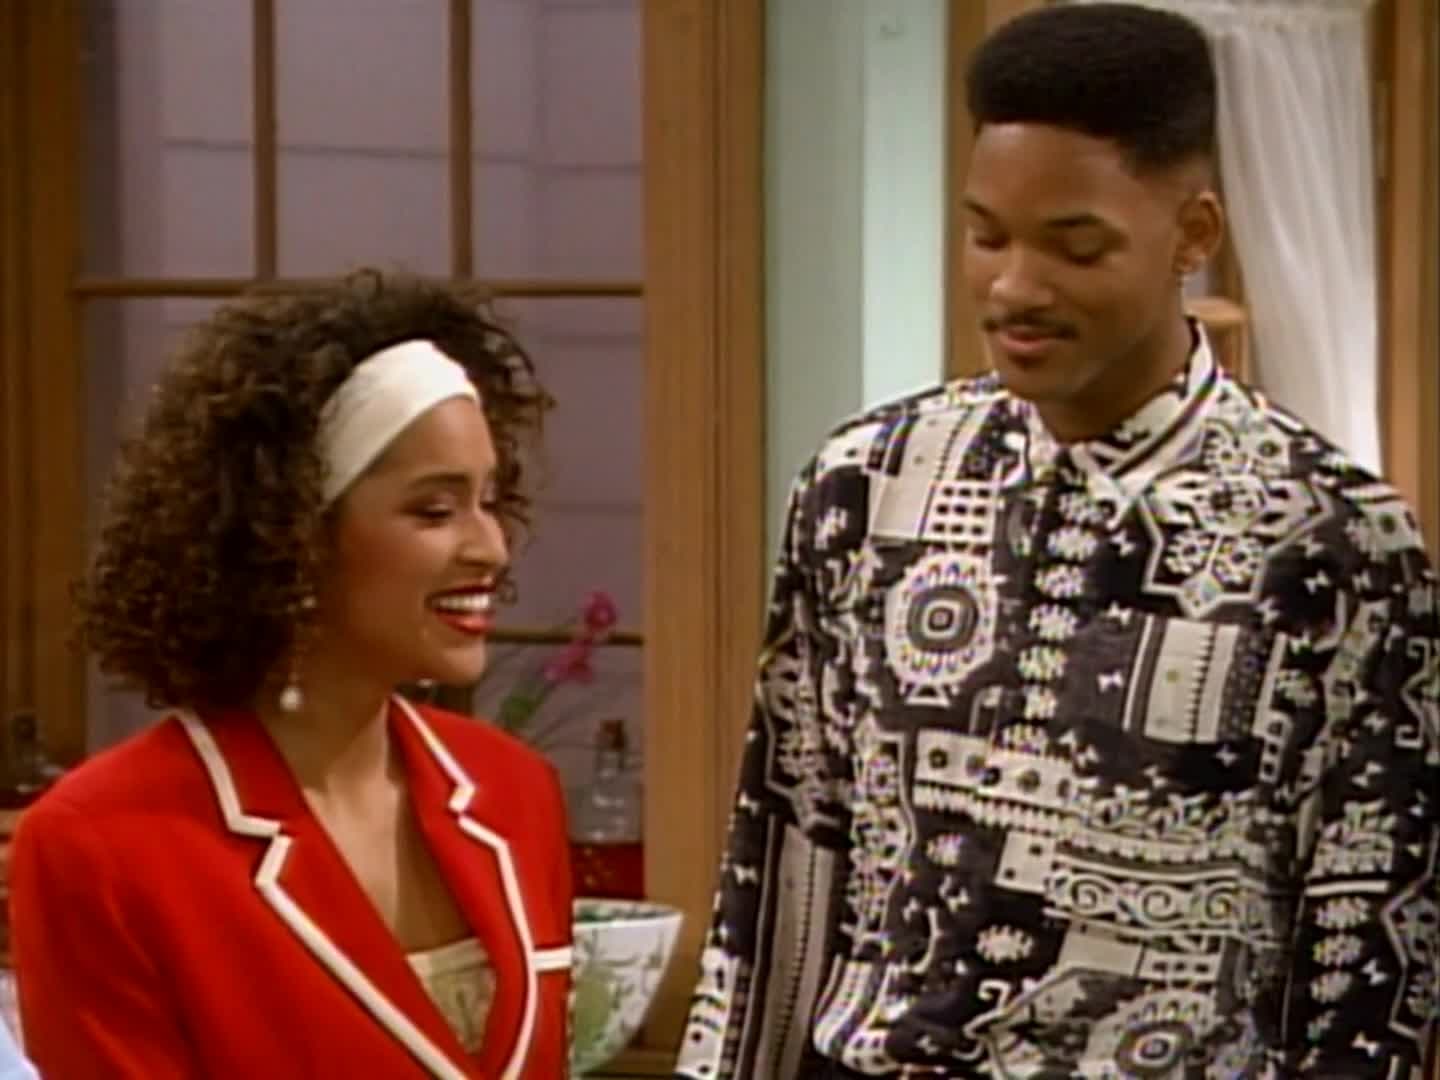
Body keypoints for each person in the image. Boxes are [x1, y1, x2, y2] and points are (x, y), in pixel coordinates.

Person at [675, 4, 1440, 1077]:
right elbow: (785, 863)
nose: (1015, 288)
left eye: (1075, 247)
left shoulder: (1335, 543)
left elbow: (1368, 972)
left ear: (1194, 235)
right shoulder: (866, 487)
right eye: (987, 236)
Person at [9, 271, 573, 1079]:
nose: (491, 547)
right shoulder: (101, 845)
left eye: (490, 500)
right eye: (434, 510)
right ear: (292, 534)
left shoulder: (514, 792)